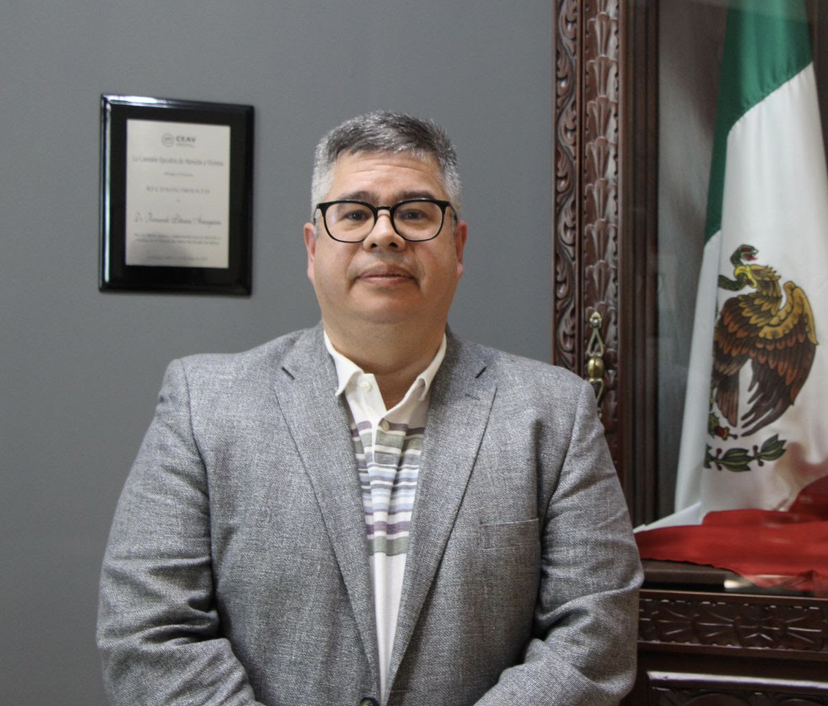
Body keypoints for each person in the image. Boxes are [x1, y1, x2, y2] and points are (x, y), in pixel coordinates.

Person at [97, 111, 642, 706]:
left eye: (415, 213)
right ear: (313, 249)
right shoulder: (204, 404)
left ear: (457, 246)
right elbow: (149, 631)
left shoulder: (555, 414)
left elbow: (595, 635)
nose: (384, 235)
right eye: (354, 214)